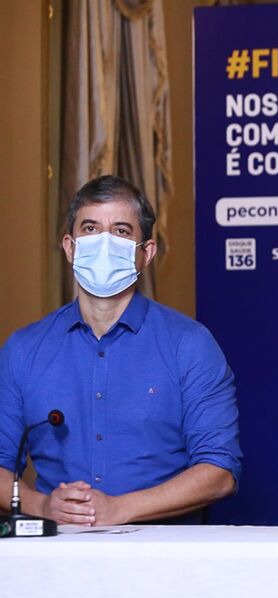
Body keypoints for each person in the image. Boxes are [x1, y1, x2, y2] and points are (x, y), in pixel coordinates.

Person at [0, 175, 241, 526]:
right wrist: (42, 506)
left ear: (146, 254)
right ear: (70, 247)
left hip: (167, 559)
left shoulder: (190, 345)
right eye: (91, 228)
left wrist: (120, 509)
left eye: (122, 231)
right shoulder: (23, 350)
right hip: (57, 557)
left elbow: (220, 471)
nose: (104, 243)